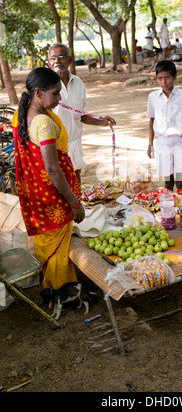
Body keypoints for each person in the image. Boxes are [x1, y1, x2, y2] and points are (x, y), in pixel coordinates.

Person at [12, 67, 85, 294]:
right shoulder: (42, 123)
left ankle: (52, 287)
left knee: (47, 244)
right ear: (38, 93)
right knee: (57, 247)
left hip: (37, 195)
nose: (59, 98)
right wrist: (74, 202)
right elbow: (53, 170)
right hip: (54, 198)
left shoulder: (21, 113)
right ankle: (59, 290)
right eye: (55, 93)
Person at [49, 43, 116, 184]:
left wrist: (101, 121)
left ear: (70, 60)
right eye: (53, 58)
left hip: (74, 142)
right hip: (53, 145)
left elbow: (80, 115)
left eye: (61, 57)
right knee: (58, 183)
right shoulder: (45, 85)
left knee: (76, 179)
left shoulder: (78, 83)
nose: (57, 61)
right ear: (49, 62)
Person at [147, 60, 182, 191]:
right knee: (167, 180)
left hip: (179, 140)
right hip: (162, 142)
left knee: (180, 179)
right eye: (160, 78)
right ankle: (170, 206)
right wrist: (150, 144)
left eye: (167, 77)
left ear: (174, 77)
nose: (164, 82)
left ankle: (181, 205)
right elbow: (151, 121)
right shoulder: (153, 97)